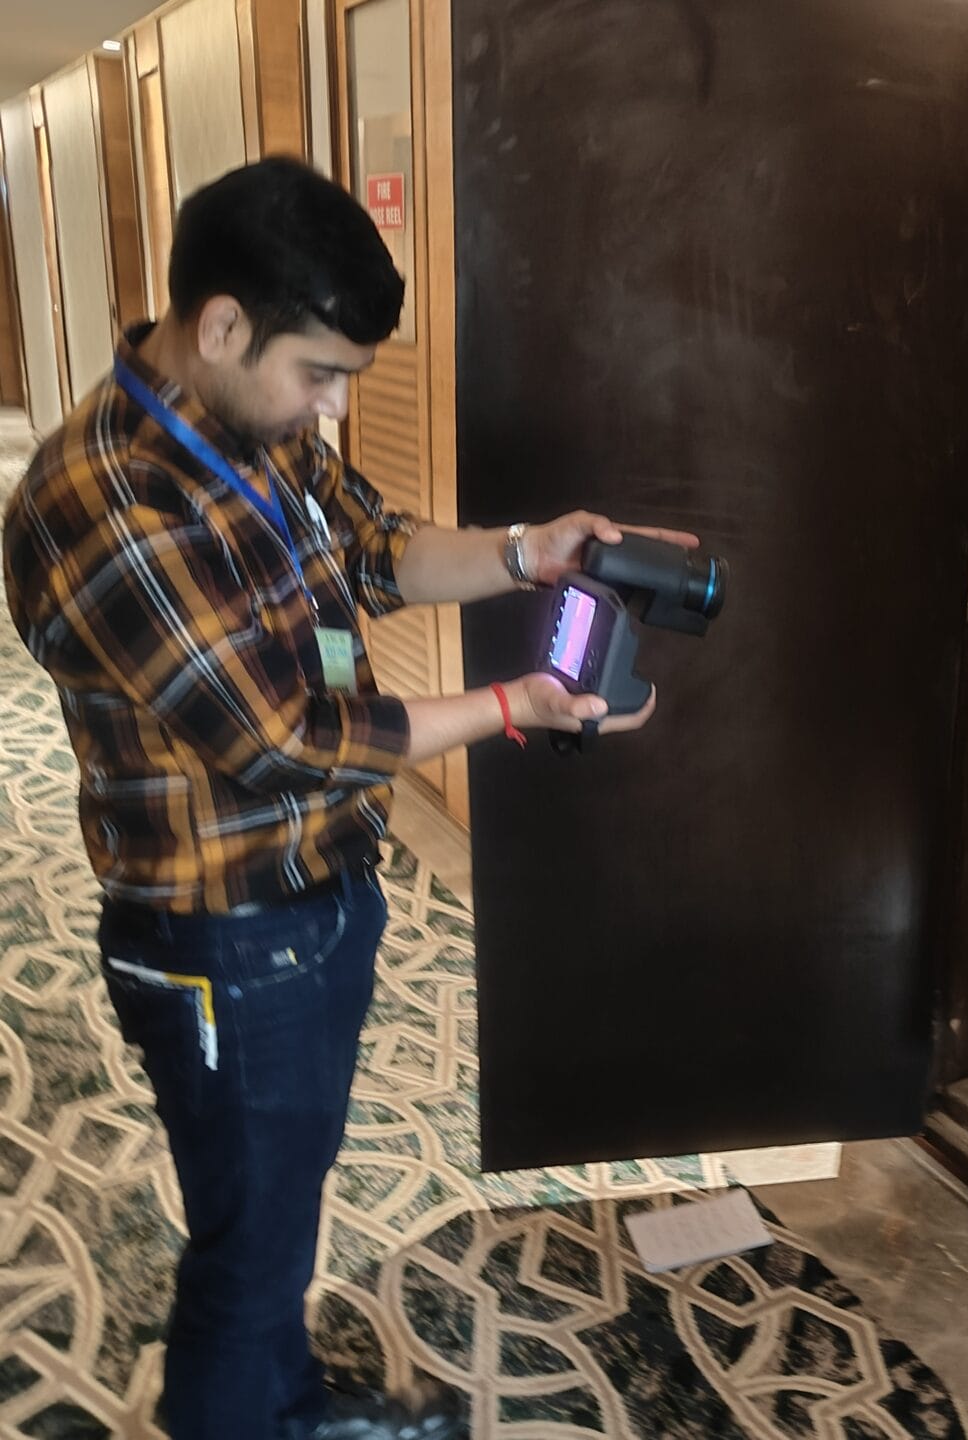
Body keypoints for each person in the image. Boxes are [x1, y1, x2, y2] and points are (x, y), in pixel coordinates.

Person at [2, 157, 695, 1440]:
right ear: (220, 326)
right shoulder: (104, 495)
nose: (328, 407)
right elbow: (282, 740)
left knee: (284, 1197)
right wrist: (511, 710)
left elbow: (375, 550)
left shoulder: (258, 431)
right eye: (317, 372)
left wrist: (524, 553)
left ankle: (288, 1408)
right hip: (221, 934)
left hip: (321, 894)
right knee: (247, 1248)